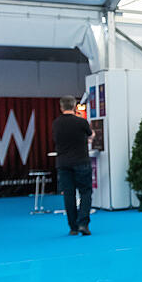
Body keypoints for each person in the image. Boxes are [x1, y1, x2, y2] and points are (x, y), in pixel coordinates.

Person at [52, 95, 94, 236]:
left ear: (61, 106)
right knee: (85, 192)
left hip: (63, 163)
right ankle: (83, 223)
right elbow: (91, 135)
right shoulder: (81, 122)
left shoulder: (56, 123)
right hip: (81, 161)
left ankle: (73, 227)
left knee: (68, 195)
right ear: (75, 106)